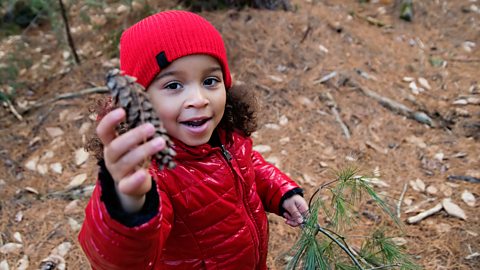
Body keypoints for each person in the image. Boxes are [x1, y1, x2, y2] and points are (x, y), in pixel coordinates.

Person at [79, 10, 308, 269]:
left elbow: (250, 166)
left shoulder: (226, 136)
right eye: (174, 85)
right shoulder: (155, 174)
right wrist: (127, 206)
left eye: (210, 80)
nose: (199, 99)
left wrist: (282, 191)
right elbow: (124, 260)